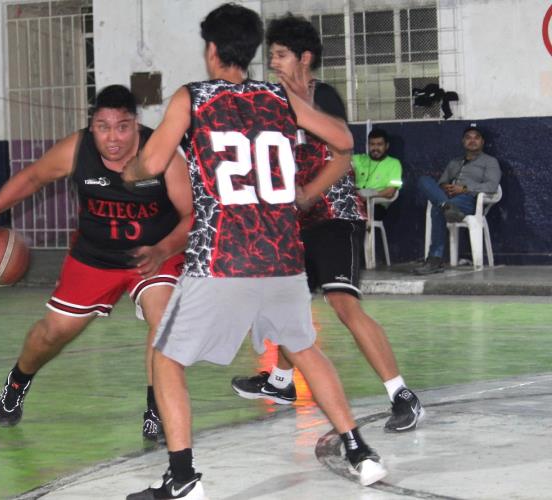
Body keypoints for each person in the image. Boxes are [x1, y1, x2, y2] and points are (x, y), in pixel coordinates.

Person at [123, 5, 387, 499]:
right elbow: (343, 141)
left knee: (165, 358)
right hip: (283, 254)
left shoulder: (193, 98)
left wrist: (131, 173)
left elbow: (154, 161)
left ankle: (182, 480)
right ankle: (359, 452)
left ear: (211, 50)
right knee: (305, 349)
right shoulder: (278, 95)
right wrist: (303, 191)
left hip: (222, 256)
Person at [230, 14, 423, 436]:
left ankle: (402, 395)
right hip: (294, 221)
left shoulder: (324, 98)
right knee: (285, 303)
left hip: (335, 214)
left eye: (281, 55)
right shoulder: (269, 102)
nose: (274, 63)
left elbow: (342, 151)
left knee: (343, 303)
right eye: (271, 56)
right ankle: (280, 382)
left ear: (305, 58)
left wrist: (308, 194)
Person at [0, 85, 192, 442]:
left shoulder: (162, 153)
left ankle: (156, 409)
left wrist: (164, 249)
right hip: (95, 256)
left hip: (153, 253)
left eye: (122, 126)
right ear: (91, 125)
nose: (112, 137)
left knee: (162, 320)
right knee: (51, 334)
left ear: (136, 125)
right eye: (102, 126)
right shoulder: (77, 148)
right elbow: (33, 177)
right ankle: (18, 380)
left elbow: (191, 215)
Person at [414, 124, 501, 275]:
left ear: (482, 142)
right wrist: (445, 187)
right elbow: (441, 183)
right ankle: (447, 206)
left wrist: (464, 189)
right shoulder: (454, 162)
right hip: (449, 198)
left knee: (437, 209)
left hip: (469, 201)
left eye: (476, 138)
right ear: (463, 141)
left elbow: (492, 186)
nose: (472, 141)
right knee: (424, 180)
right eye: (468, 137)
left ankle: (435, 260)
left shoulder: (490, 161)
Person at [353, 128, 403, 220]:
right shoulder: (358, 159)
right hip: (354, 199)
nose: (375, 148)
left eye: (379, 144)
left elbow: (390, 192)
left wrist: (367, 197)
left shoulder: (394, 164)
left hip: (376, 204)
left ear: (386, 146)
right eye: (372, 144)